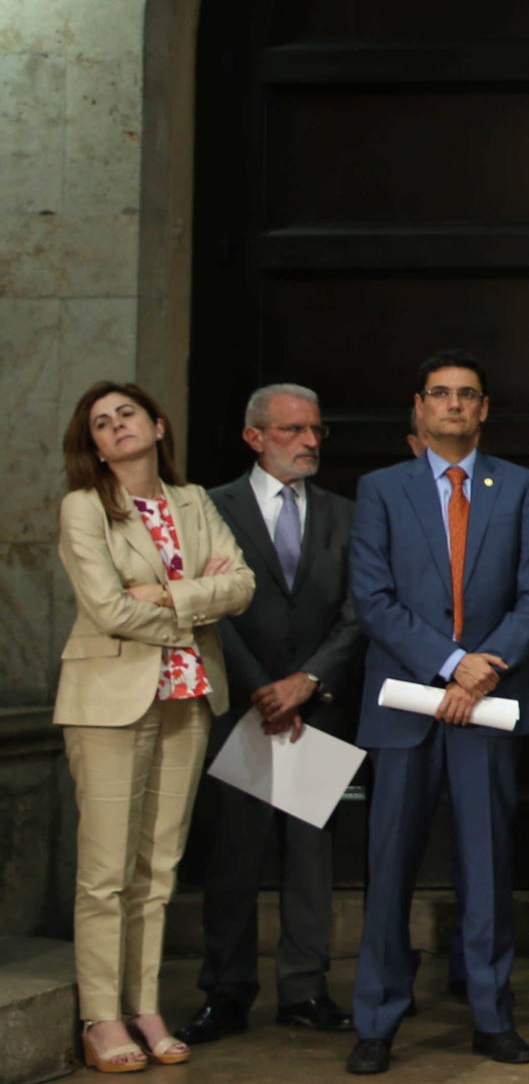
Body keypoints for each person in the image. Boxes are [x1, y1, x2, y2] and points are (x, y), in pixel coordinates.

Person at [345, 350, 529, 1075]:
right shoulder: (382, 488)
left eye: (468, 394)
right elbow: (372, 598)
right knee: (389, 866)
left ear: (484, 408)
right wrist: (448, 663)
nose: (455, 404)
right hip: (406, 702)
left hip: (488, 704)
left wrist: (482, 666)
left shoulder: (518, 486)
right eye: (441, 393)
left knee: (487, 865)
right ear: (421, 406)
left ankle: (493, 1016)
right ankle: (376, 1021)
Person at [56, 381, 255, 1073]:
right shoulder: (84, 508)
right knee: (106, 872)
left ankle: (144, 1007)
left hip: (188, 693)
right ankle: (101, 1016)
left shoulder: (194, 502)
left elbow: (242, 584)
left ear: (158, 424)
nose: (115, 427)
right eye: (101, 424)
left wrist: (167, 593)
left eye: (126, 414)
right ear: (94, 444)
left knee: (159, 869)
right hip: (108, 698)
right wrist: (197, 600)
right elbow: (109, 608)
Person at [176, 384, 366, 1048]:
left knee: (311, 856)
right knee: (235, 854)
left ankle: (305, 987)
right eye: (292, 430)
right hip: (243, 704)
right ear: (255, 436)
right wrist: (264, 689)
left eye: (315, 429)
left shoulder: (345, 512)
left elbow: (360, 608)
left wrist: (306, 681)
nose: (309, 441)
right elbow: (207, 603)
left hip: (317, 704)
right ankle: (226, 989)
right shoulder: (210, 507)